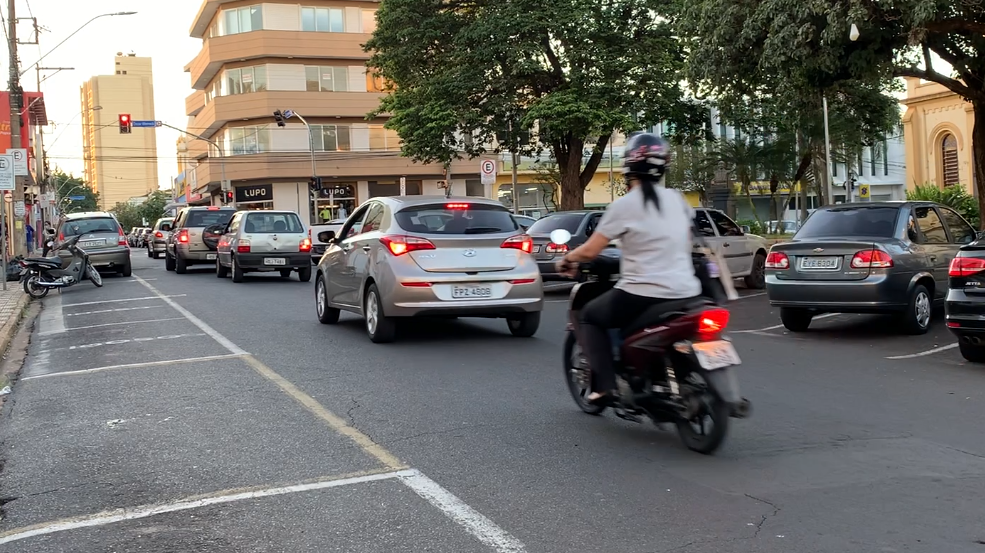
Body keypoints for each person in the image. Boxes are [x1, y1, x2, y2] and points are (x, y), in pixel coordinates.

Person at [555, 133, 702, 405]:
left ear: (629, 167)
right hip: (687, 290)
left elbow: (590, 251)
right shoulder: (677, 199)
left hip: (642, 292)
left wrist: (567, 259)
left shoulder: (624, 205)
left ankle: (605, 387)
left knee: (590, 317)